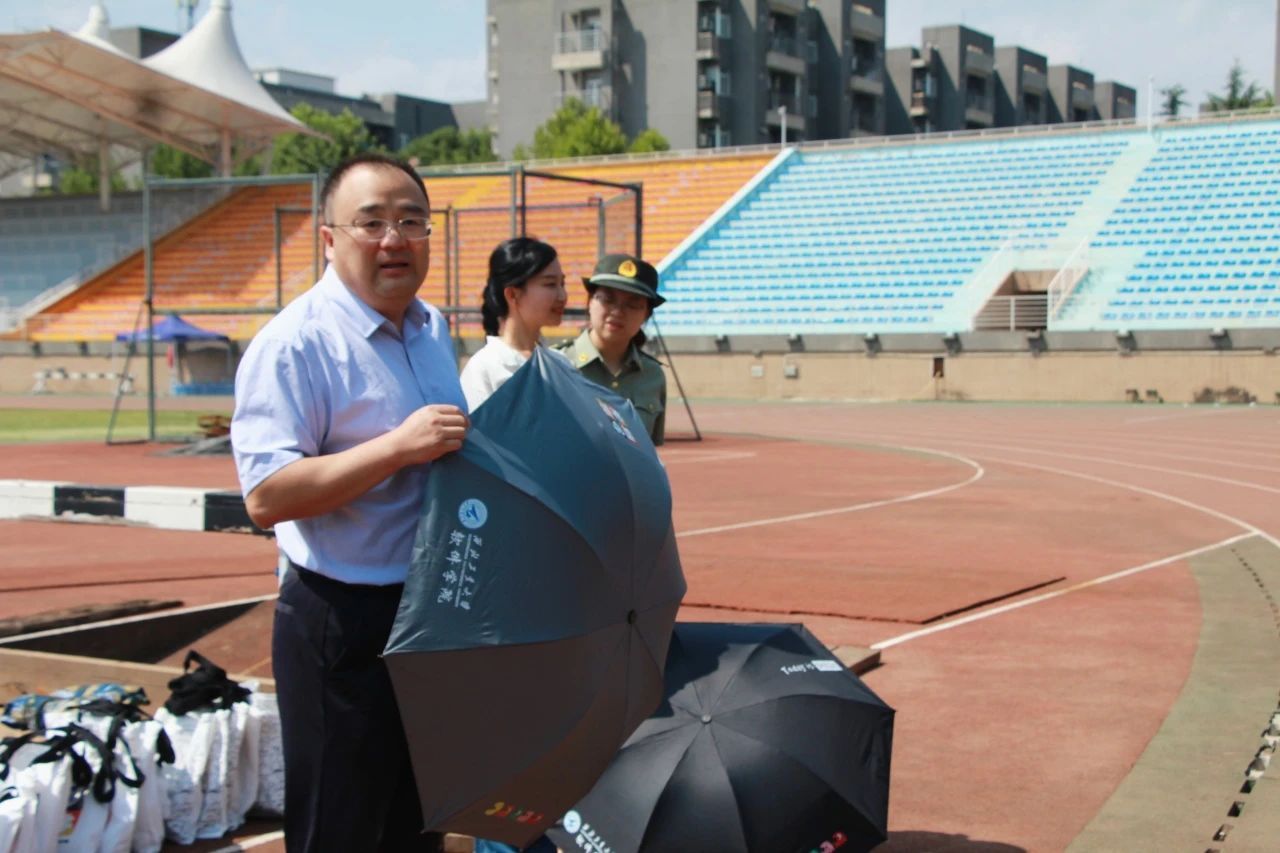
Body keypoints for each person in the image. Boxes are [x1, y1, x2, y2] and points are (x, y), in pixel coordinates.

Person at [230, 152, 469, 853]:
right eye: (372, 222)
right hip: (340, 618)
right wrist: (395, 448)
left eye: (412, 221)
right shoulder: (295, 343)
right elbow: (266, 496)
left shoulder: (431, 328)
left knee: (417, 822)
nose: (394, 239)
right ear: (329, 238)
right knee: (337, 828)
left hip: (427, 613)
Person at [557, 253, 668, 445]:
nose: (617, 312)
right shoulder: (557, 363)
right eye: (608, 299)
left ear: (646, 315)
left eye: (632, 305)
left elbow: (649, 451)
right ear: (590, 302)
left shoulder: (652, 375)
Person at [459, 237, 567, 410]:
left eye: (562, 283)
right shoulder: (484, 369)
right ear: (513, 294)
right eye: (550, 284)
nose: (562, 296)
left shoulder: (562, 363)